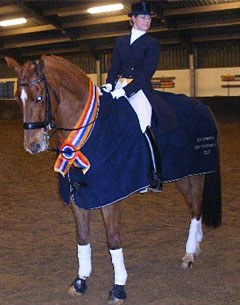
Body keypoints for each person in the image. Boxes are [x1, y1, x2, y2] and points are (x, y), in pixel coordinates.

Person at [101, 1, 162, 191]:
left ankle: (153, 173)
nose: (147, 21)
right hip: (118, 86)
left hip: (140, 90)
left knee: (144, 125)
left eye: (149, 18)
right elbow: (114, 67)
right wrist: (110, 84)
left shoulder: (152, 44)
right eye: (143, 17)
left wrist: (126, 91)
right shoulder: (120, 42)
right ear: (133, 19)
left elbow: (146, 73)